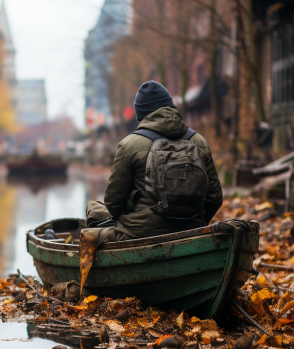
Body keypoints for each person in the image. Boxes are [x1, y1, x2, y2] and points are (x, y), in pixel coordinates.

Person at [86, 81, 223, 243]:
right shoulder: (199, 141)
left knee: (93, 209)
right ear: (171, 107)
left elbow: (113, 203)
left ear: (140, 114)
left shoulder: (129, 145)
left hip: (138, 235)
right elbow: (214, 198)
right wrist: (193, 223)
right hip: (193, 230)